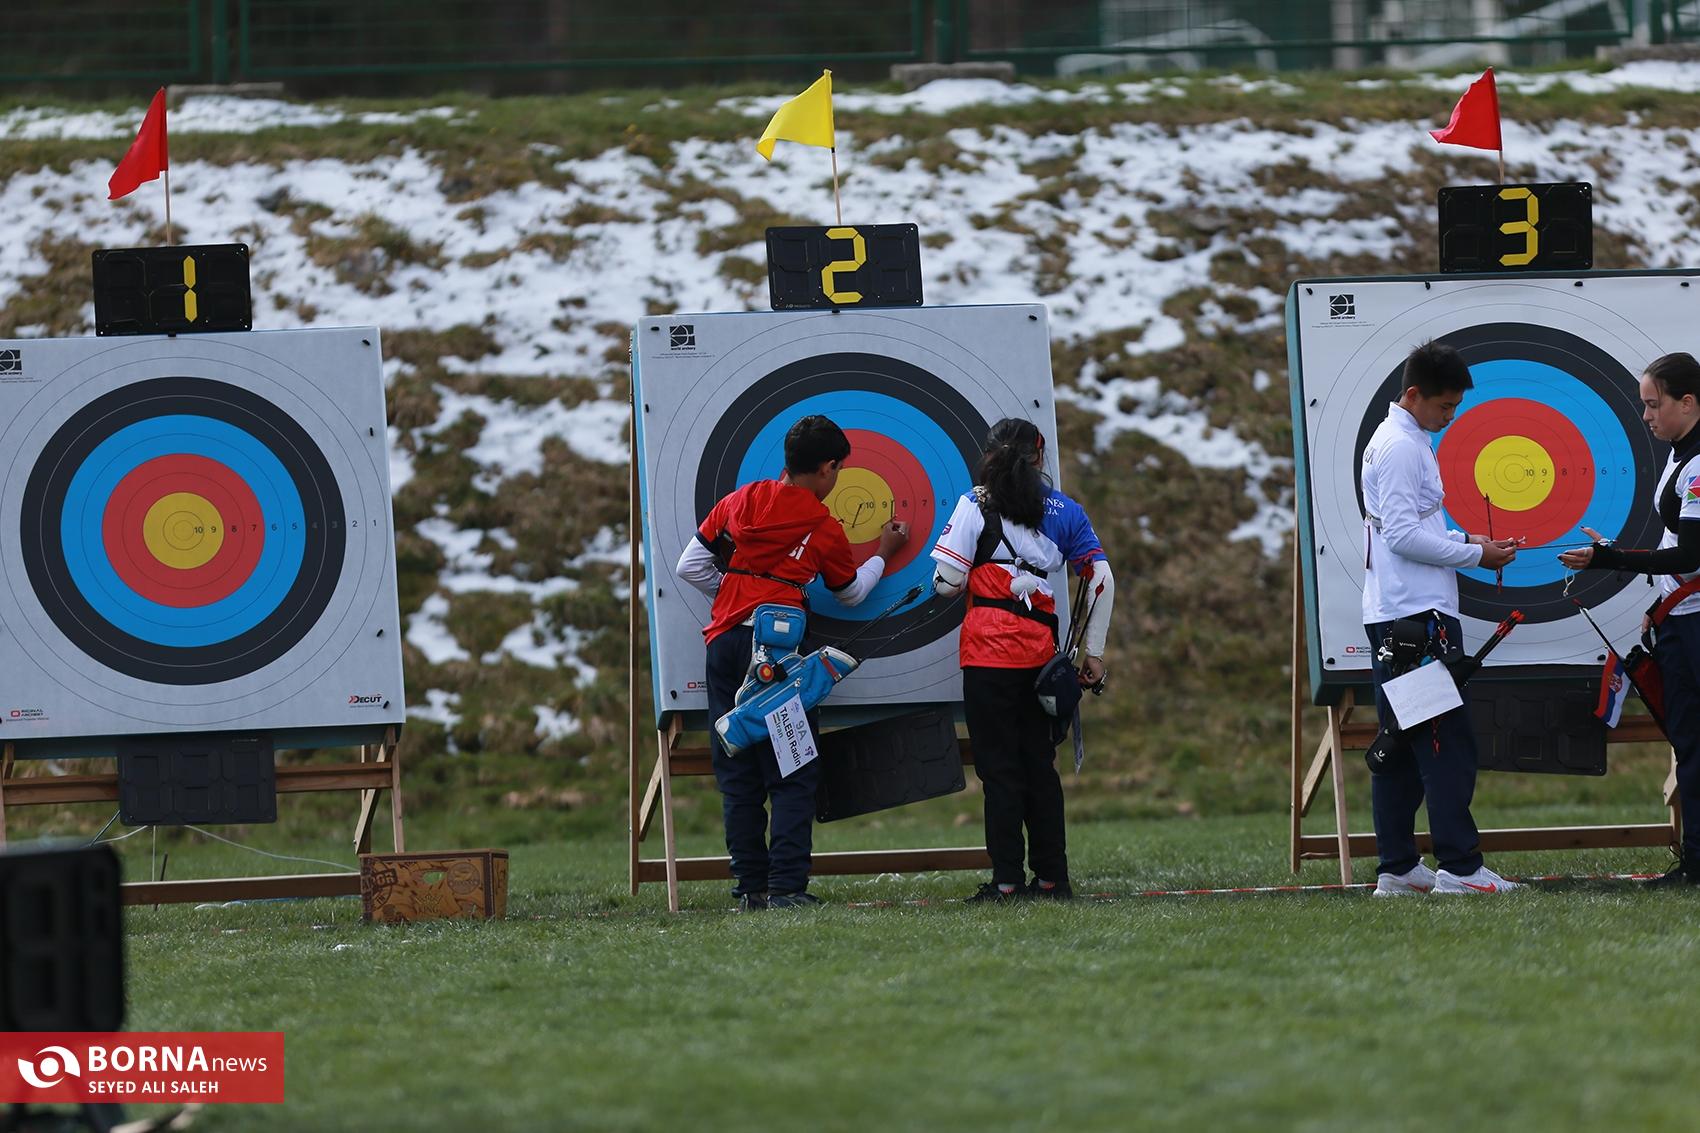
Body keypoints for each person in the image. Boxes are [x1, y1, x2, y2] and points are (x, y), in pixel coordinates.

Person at [675, 415, 908, 910]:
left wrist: (736, 596)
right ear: (826, 468)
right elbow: (850, 593)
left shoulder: (739, 501)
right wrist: (884, 553)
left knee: (737, 773)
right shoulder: (823, 526)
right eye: (838, 469)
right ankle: (786, 887)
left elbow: (689, 566)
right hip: (777, 658)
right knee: (792, 771)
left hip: (725, 646)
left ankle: (750, 889)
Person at [930, 418, 1115, 902]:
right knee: (1039, 768)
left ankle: (1007, 882)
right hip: (1040, 661)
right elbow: (1100, 579)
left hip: (987, 658)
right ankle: (1053, 880)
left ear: (990, 455)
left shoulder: (975, 503)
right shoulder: (1065, 510)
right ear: (1040, 456)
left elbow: (947, 582)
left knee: (999, 772)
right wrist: (1093, 653)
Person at [1361, 340, 1520, 897]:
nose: (1450, 416)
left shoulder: (1401, 440)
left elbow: (1410, 526)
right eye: (1445, 406)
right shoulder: (1402, 448)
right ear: (1413, 394)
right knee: (1444, 743)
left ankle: (1399, 868)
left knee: (1402, 743)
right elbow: (1403, 537)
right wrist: (1476, 554)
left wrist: (1465, 538)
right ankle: (1460, 868)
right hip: (1416, 617)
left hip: (1399, 613)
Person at [1560, 351, 1700, 887]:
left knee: (1693, 742)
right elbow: (1674, 545)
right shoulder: (1681, 455)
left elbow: (1692, 554)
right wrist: (1657, 602)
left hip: (1694, 624)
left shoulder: (1698, 464)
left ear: (1688, 402)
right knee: (1688, 742)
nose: (1646, 416)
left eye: (1654, 404)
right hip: (1679, 618)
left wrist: (1611, 559)